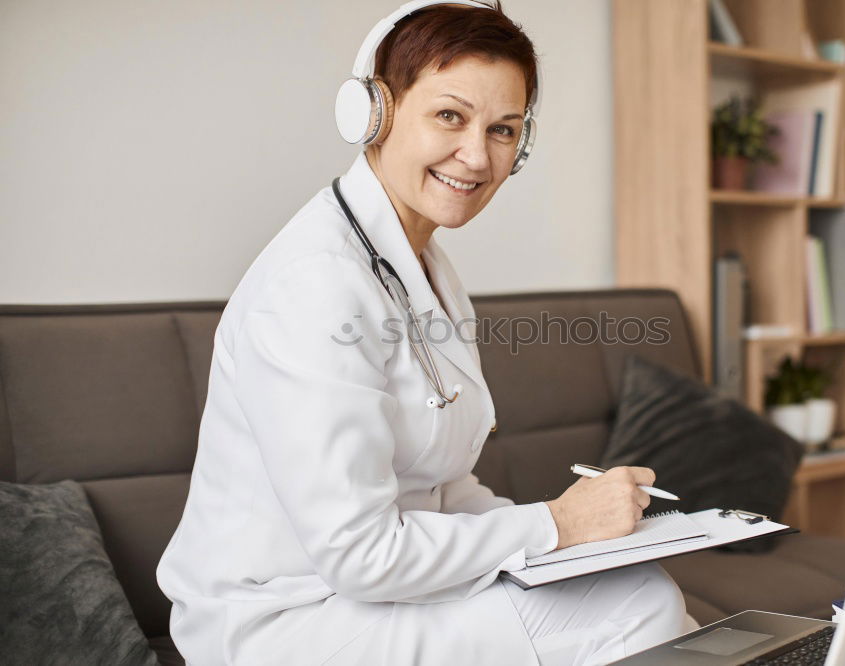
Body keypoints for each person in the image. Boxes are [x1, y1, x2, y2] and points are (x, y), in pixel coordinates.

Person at [156, 2, 695, 664]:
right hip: (285, 621)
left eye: (503, 129)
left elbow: (444, 488)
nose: (476, 155)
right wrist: (557, 525)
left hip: (370, 595)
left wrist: (572, 540)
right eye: (450, 116)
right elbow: (361, 555)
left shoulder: (425, 265)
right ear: (374, 112)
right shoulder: (315, 285)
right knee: (639, 606)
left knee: (627, 585)